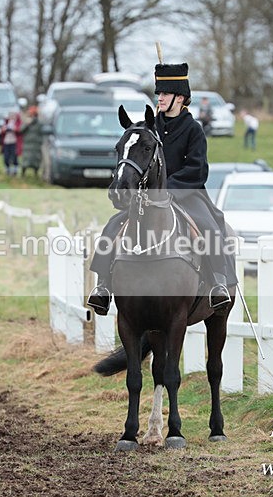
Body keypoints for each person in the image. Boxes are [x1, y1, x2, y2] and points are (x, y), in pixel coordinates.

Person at [86, 62, 236, 316]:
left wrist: (168, 189)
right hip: (148, 199)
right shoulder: (149, 128)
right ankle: (102, 287)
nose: (160, 98)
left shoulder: (193, 129)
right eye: (159, 94)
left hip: (187, 195)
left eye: (165, 93)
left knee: (210, 227)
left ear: (180, 97)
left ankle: (219, 284)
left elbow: (198, 170)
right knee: (112, 225)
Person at [20, 105, 42, 177]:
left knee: (36, 160)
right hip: (27, 145)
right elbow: (21, 130)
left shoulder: (39, 123)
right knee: (26, 159)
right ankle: (23, 174)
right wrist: (27, 123)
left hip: (36, 145)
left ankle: (36, 174)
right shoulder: (27, 122)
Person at [0, 111, 22, 176]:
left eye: (13, 116)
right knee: (6, 157)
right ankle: (7, 170)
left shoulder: (18, 123)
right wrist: (4, 129)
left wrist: (14, 129)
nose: (12, 117)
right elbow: (2, 131)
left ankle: (15, 170)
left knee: (14, 157)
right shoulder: (6, 123)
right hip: (6, 142)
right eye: (10, 116)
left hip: (14, 143)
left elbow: (20, 130)